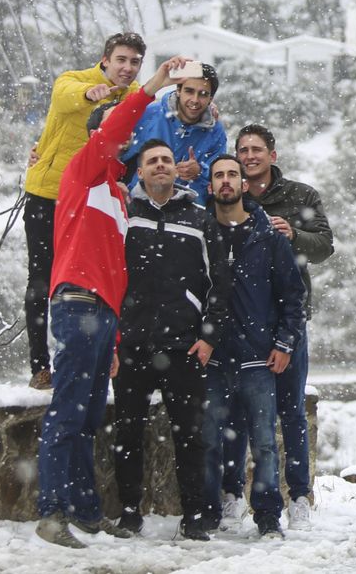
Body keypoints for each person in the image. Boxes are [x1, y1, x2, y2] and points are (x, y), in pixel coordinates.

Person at [34, 54, 189, 549]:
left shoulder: (118, 196)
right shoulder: (83, 171)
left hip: (103, 314)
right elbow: (115, 126)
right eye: (115, 136)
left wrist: (117, 336)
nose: (122, 141)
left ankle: (83, 509)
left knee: (85, 416)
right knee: (67, 411)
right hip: (77, 304)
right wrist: (156, 84)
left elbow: (118, 275)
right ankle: (51, 512)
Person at [111, 138, 233, 540]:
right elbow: (108, 275)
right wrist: (113, 334)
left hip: (184, 346)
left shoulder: (200, 218)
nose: (160, 166)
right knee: (127, 432)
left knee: (191, 436)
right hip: (131, 344)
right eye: (152, 162)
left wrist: (209, 337)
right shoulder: (124, 214)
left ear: (174, 168)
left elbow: (220, 283)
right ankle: (129, 514)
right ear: (140, 171)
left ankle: (194, 517)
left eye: (166, 160)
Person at [222, 124, 334, 530]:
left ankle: (299, 496)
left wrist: (295, 235)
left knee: (290, 412)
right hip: (238, 320)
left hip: (289, 317)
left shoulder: (300, 196)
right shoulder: (227, 191)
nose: (249, 156)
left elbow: (325, 246)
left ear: (272, 154)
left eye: (257, 149)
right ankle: (232, 493)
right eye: (243, 150)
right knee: (236, 413)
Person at [22, 32, 146, 389]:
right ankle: (39, 365)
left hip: (93, 204)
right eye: (120, 60)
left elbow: (152, 121)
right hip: (49, 194)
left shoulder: (135, 96)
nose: (126, 68)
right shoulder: (74, 80)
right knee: (42, 278)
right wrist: (89, 95)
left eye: (134, 62)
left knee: (96, 279)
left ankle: (98, 354)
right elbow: (63, 98)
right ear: (105, 59)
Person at [200, 154, 306, 539]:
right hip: (213, 358)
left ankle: (267, 519)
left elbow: (293, 297)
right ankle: (210, 514)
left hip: (258, 358)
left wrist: (283, 343)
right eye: (219, 176)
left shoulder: (268, 237)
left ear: (245, 184)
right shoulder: (202, 233)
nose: (226, 181)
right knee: (210, 440)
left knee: (263, 443)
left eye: (233, 175)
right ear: (210, 186)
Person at [122, 63, 227, 202]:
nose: (195, 100)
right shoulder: (150, 114)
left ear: (210, 99)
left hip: (187, 213)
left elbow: (220, 178)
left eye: (203, 94)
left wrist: (200, 172)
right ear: (178, 90)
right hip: (140, 204)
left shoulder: (216, 133)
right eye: (189, 91)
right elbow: (119, 156)